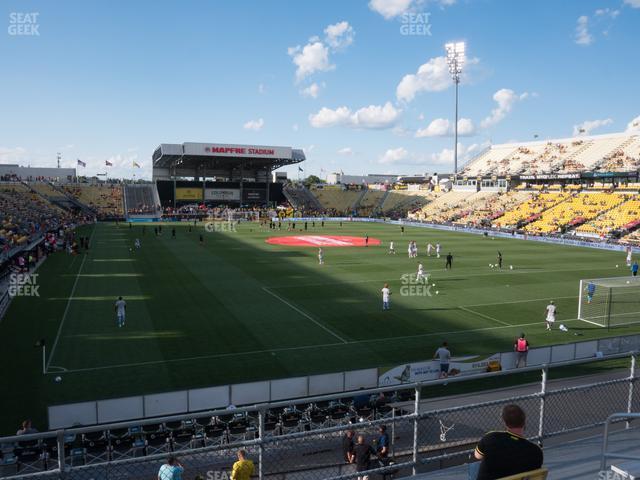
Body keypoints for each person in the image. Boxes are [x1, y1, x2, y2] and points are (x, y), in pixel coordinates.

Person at [473, 404, 543, 480]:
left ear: (504, 422)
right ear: (524, 421)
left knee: (474, 465)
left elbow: (477, 456)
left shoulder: (490, 438)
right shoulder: (536, 451)